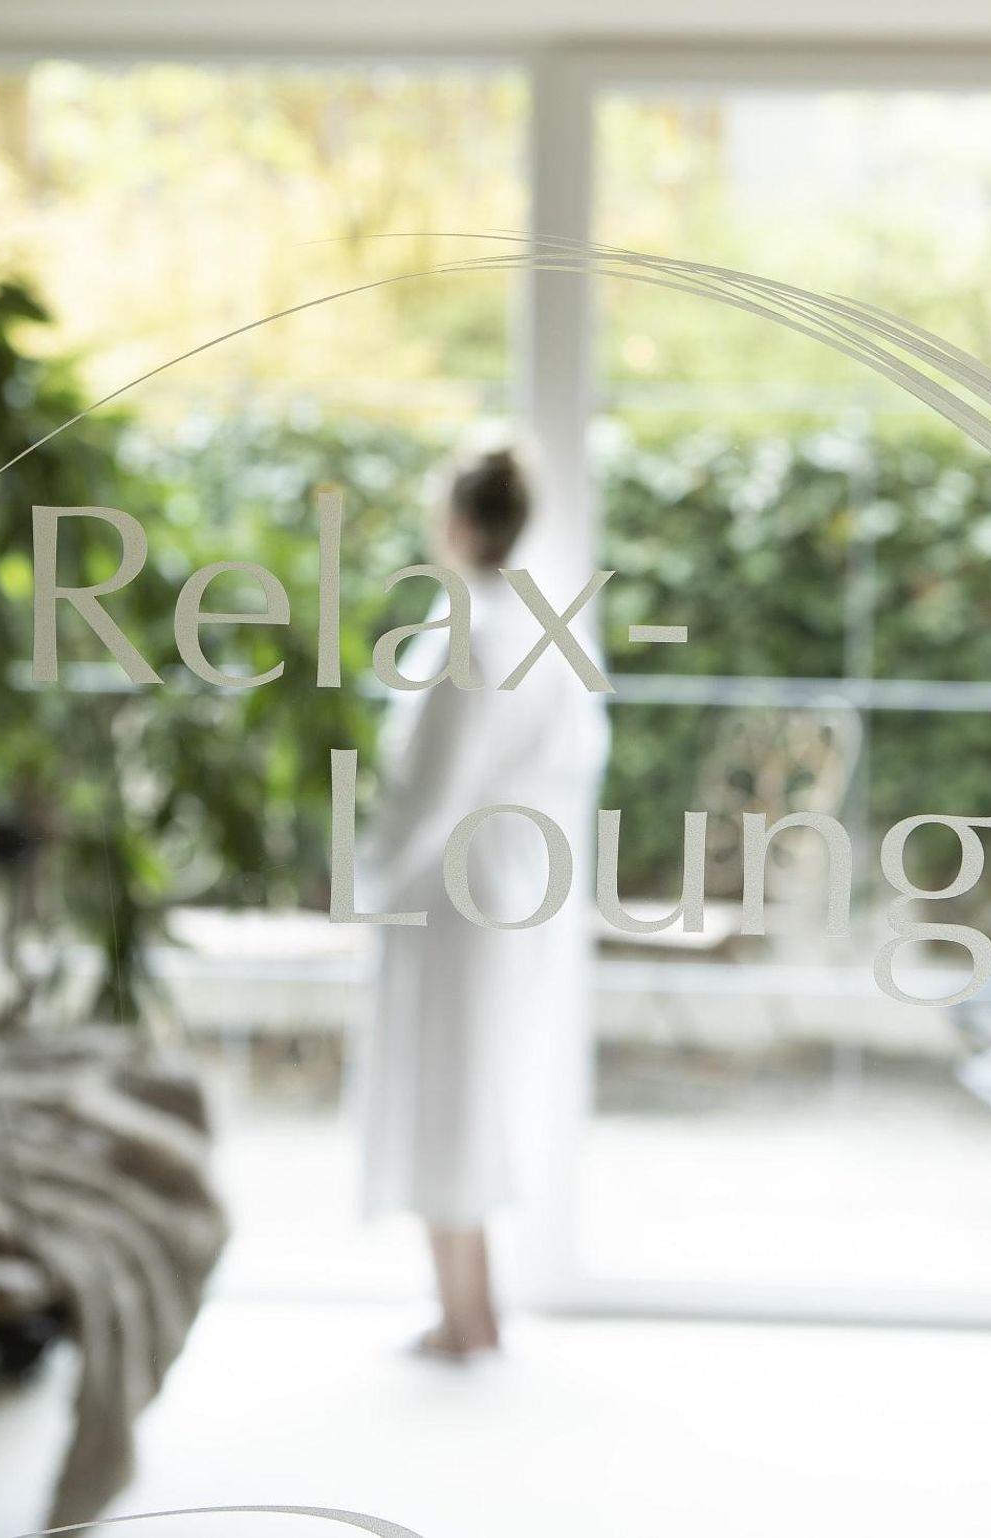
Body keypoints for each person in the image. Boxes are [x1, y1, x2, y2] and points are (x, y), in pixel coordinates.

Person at [351, 446, 608, 1359]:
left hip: (452, 896)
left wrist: (364, 883)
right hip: (517, 886)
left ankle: (465, 1315)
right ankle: (471, 1306)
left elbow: (427, 791)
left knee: (447, 1089)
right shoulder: (546, 627)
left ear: (456, 524)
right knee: (473, 1084)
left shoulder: (469, 630)